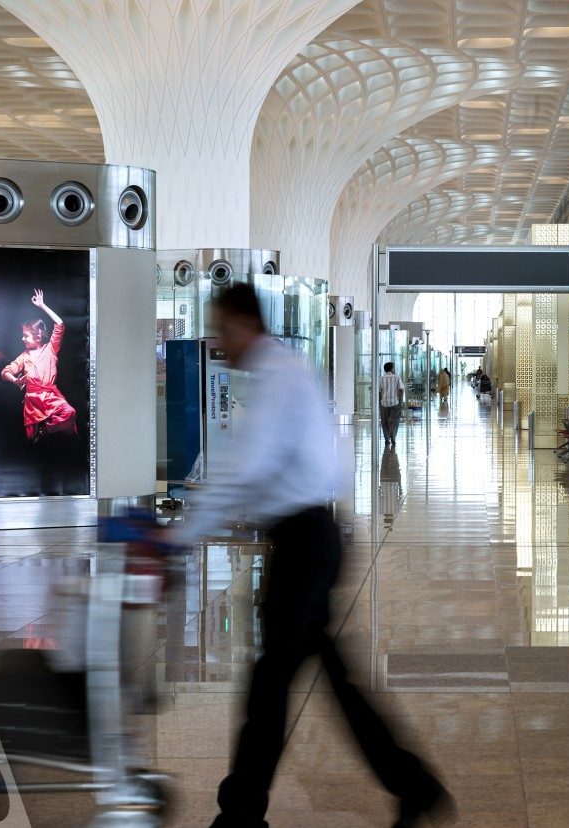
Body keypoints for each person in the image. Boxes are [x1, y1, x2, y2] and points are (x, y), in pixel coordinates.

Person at [178, 284, 451, 828]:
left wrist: (185, 531)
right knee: (318, 677)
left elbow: (248, 467)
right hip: (310, 537)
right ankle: (413, 783)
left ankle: (241, 813)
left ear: (242, 325)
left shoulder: (278, 376)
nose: (217, 341)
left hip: (304, 542)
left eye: (221, 328)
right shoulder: (286, 371)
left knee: (273, 677)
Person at [1, 288, 77, 443]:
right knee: (32, 441)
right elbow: (5, 371)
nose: (22, 338)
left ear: (37, 336)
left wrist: (42, 306)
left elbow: (60, 324)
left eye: (25, 335)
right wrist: (15, 380)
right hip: (33, 403)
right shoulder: (24, 356)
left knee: (70, 413)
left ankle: (46, 429)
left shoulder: (50, 349)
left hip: (50, 397)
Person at [379, 361, 403, 447]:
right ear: (392, 369)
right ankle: (393, 436)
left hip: (384, 403)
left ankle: (386, 438)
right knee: (394, 421)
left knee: (384, 421)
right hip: (395, 402)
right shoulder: (397, 377)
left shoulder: (381, 378)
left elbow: (379, 391)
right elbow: (400, 389)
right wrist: (401, 400)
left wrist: (381, 400)